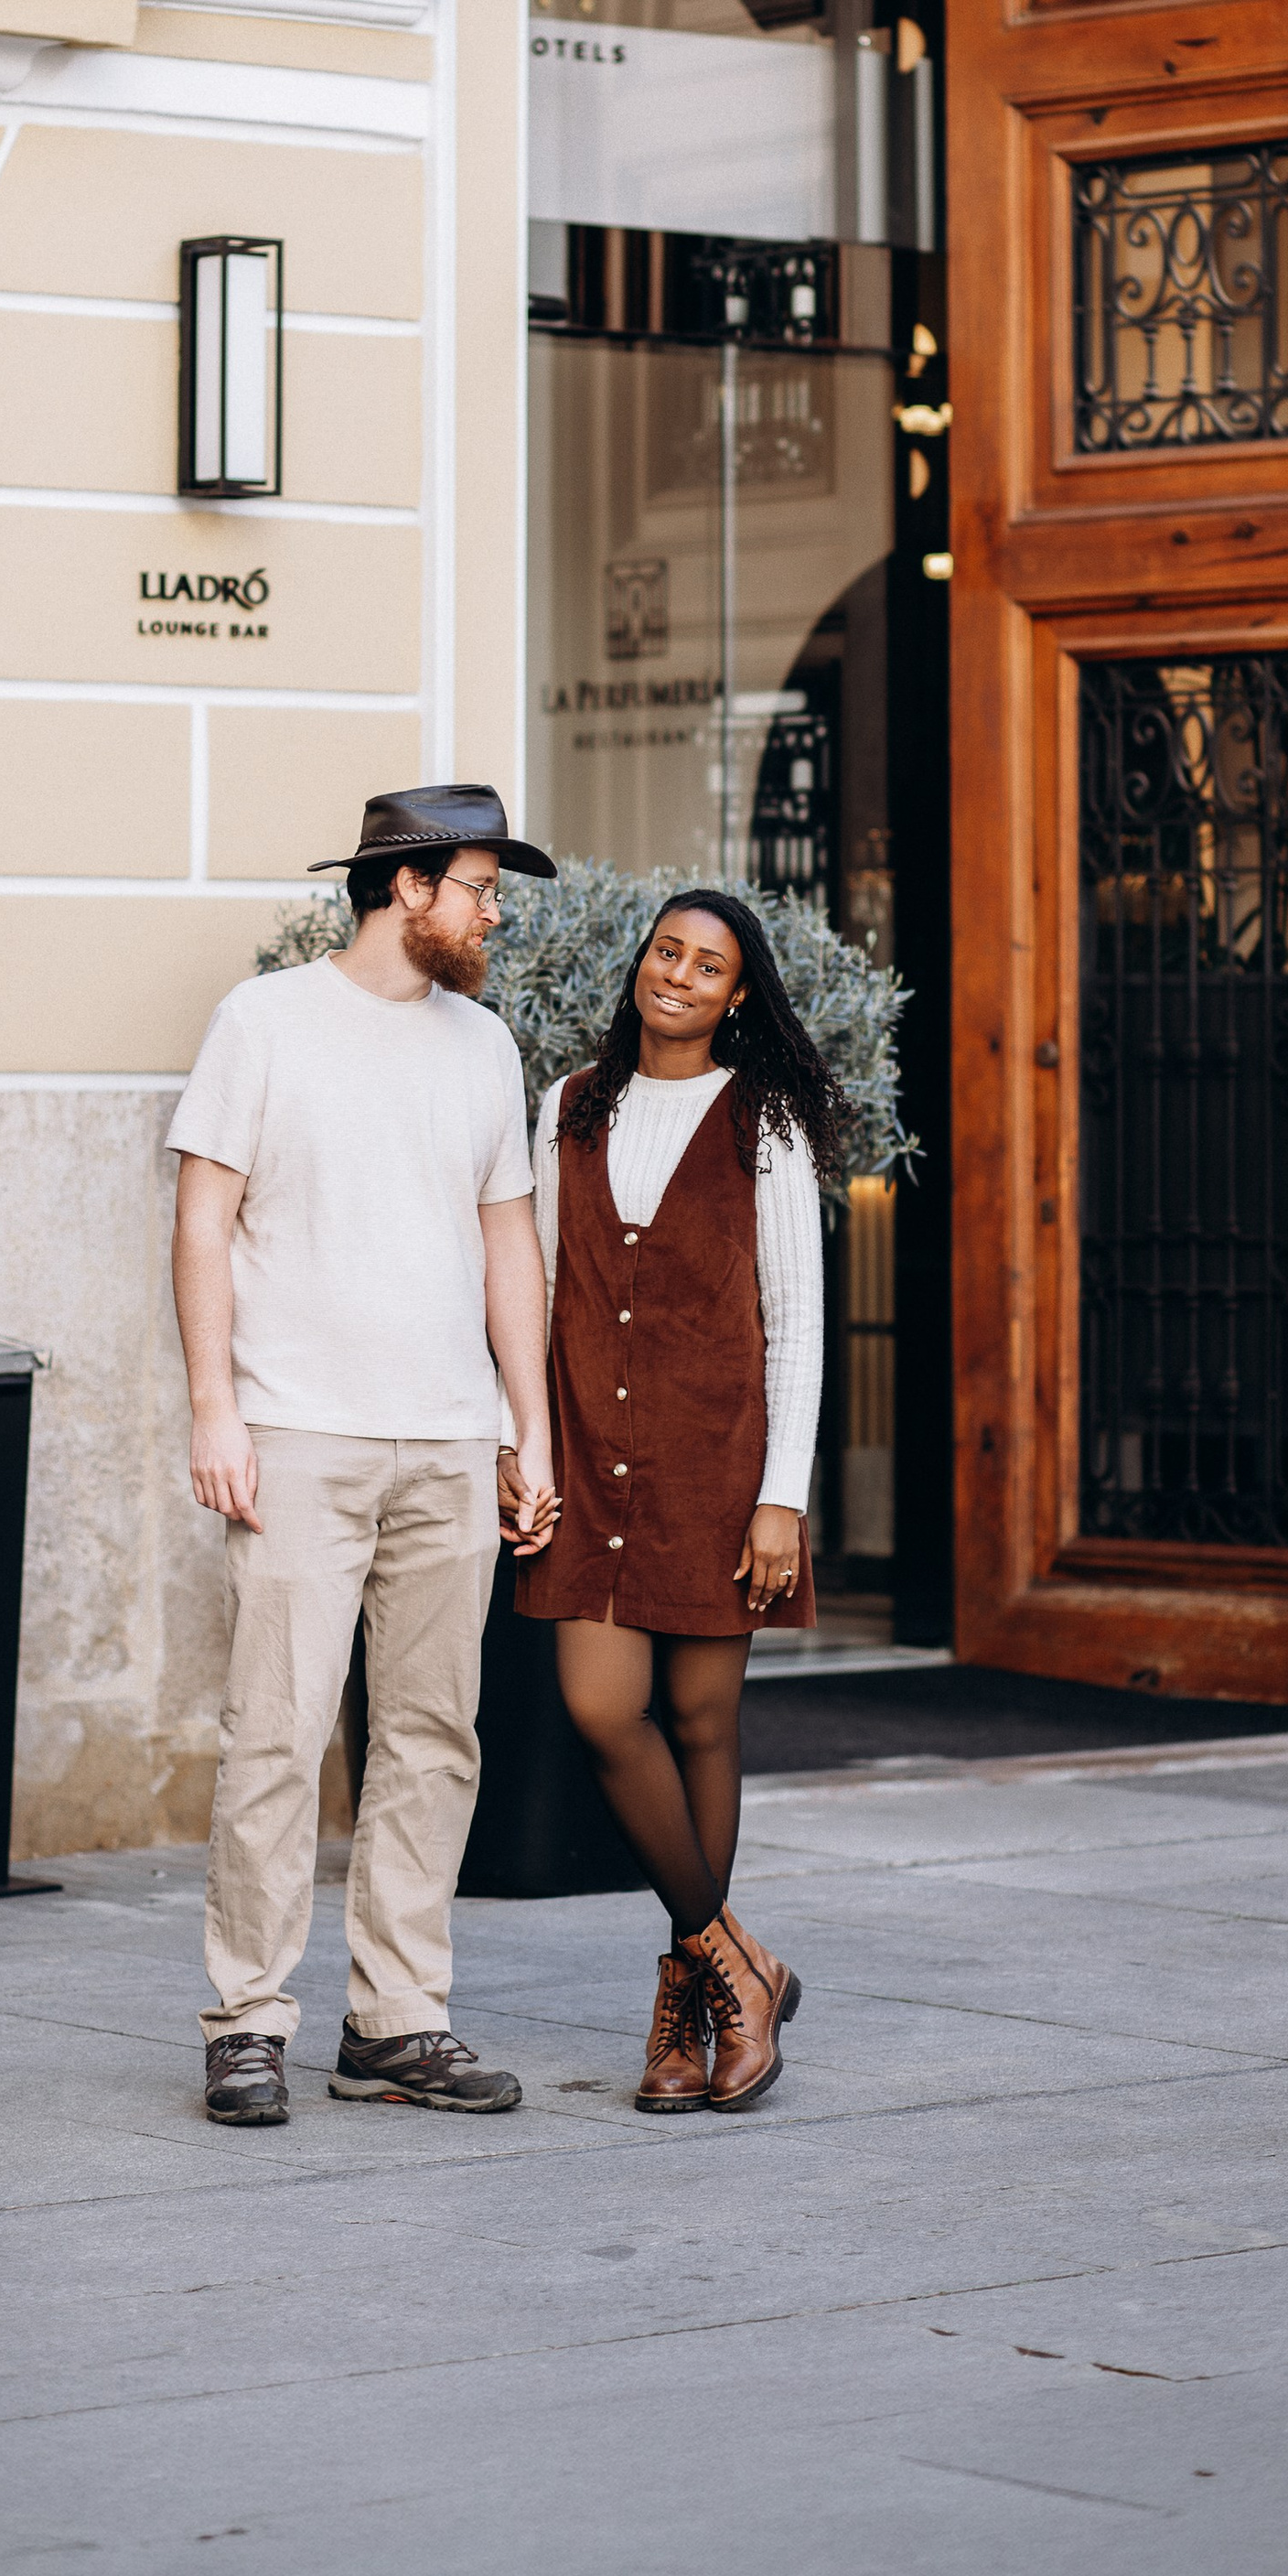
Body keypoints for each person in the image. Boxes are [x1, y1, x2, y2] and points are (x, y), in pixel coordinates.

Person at [167, 783, 560, 2129]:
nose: (493, 913)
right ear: (406, 890)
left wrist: (529, 1425)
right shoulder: (264, 1022)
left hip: (450, 1437)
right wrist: (215, 1410)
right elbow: (203, 1222)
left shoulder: (483, 1046)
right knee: (275, 1736)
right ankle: (247, 2023)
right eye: (478, 888)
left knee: (434, 1737)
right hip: (297, 1431)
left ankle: (397, 2020)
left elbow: (510, 1241)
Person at [513, 890, 853, 2111]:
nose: (679, 975)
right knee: (603, 1708)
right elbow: (543, 1291)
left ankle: (682, 2014)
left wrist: (782, 1502)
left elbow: (799, 1327)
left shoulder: (765, 1122)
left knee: (704, 1724)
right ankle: (739, 1968)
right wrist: (529, 1453)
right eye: (667, 952)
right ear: (640, 966)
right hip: (594, 1456)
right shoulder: (568, 1105)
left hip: (718, 1468)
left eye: (708, 966)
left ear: (738, 995)